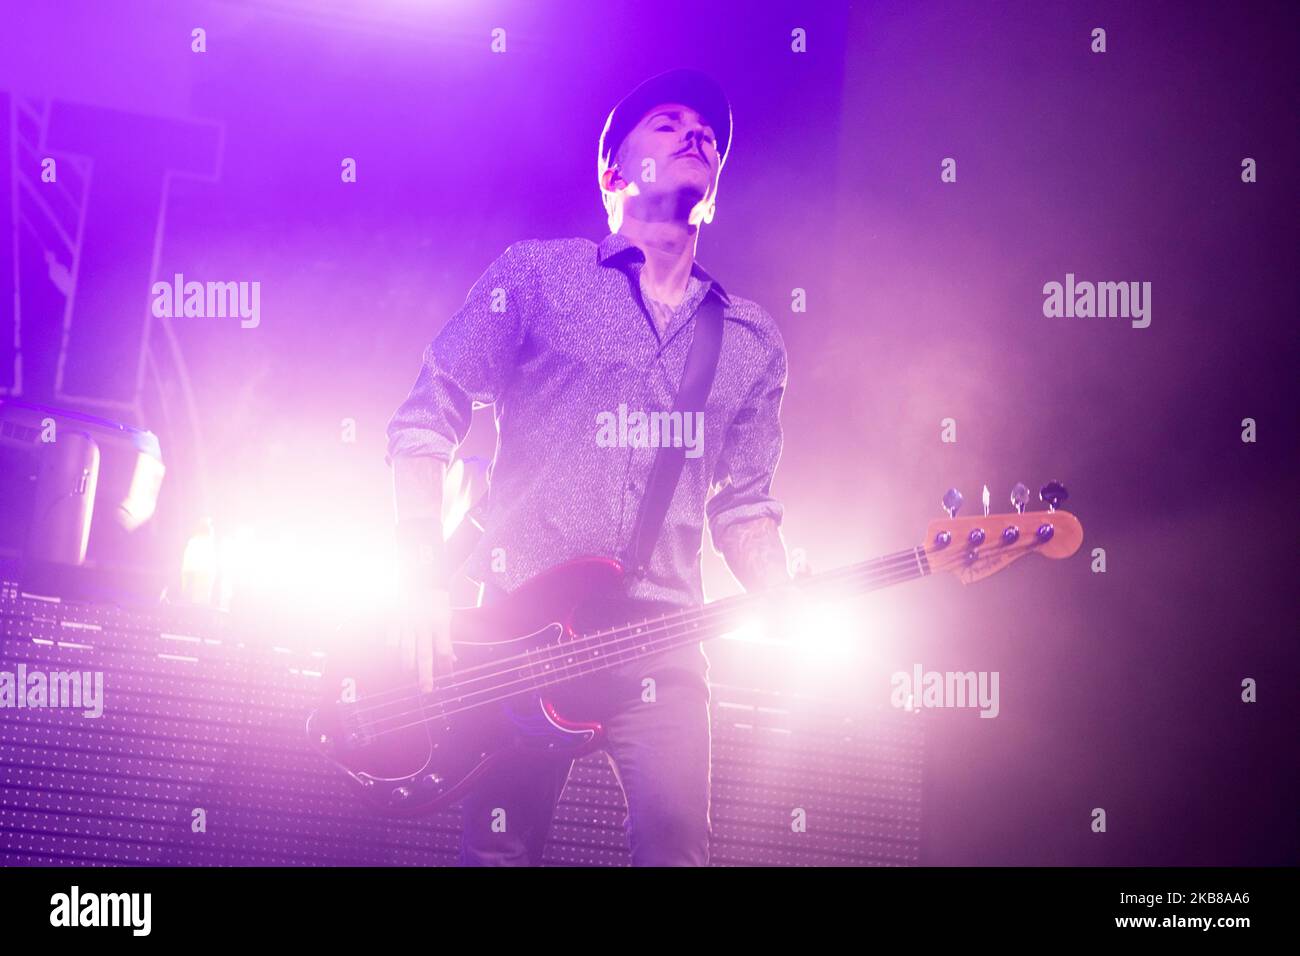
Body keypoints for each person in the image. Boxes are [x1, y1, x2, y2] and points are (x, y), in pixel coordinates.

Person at [385, 68, 792, 866]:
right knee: (500, 854)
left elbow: (743, 504)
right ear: (613, 174)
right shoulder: (538, 277)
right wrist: (419, 575)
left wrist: (781, 591)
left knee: (677, 847)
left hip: (663, 641)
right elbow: (426, 416)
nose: (696, 133)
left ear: (712, 193)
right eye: (668, 123)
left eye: (707, 132)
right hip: (515, 628)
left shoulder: (751, 338)